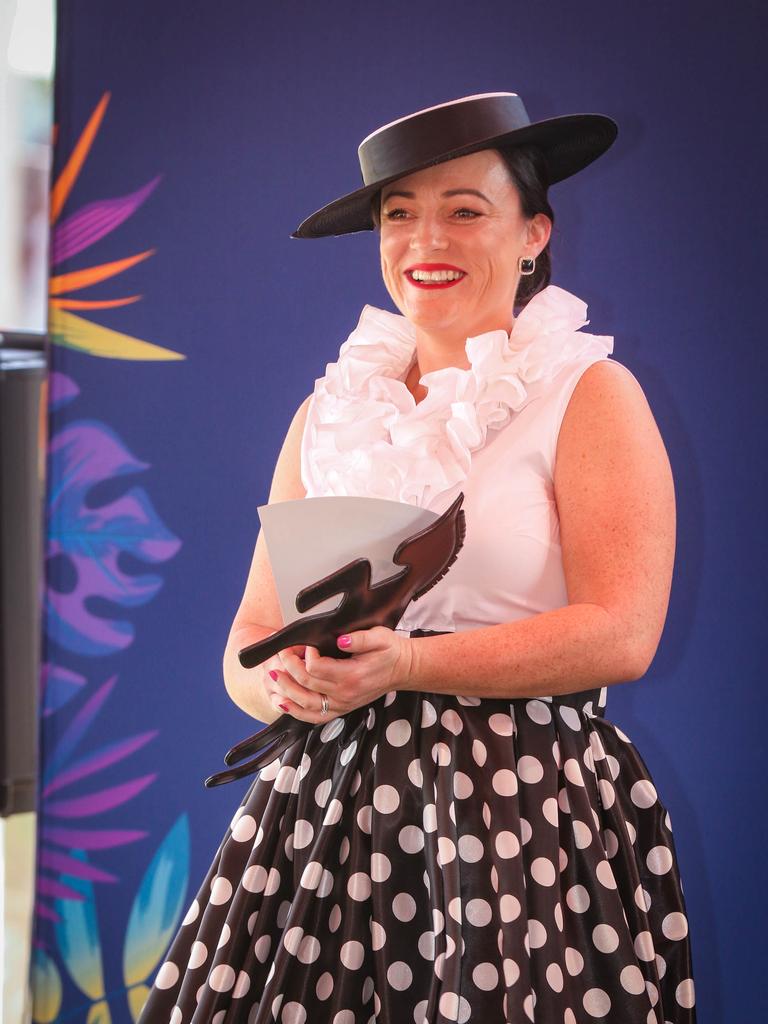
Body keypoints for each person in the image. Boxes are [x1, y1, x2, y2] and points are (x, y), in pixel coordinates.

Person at [138, 92, 696, 1023]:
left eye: (465, 210)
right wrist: (286, 684)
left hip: (520, 815)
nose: (424, 237)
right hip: (320, 817)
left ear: (533, 233)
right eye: (399, 215)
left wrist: (410, 663)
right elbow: (252, 632)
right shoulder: (328, 411)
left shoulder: (588, 391)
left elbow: (623, 633)